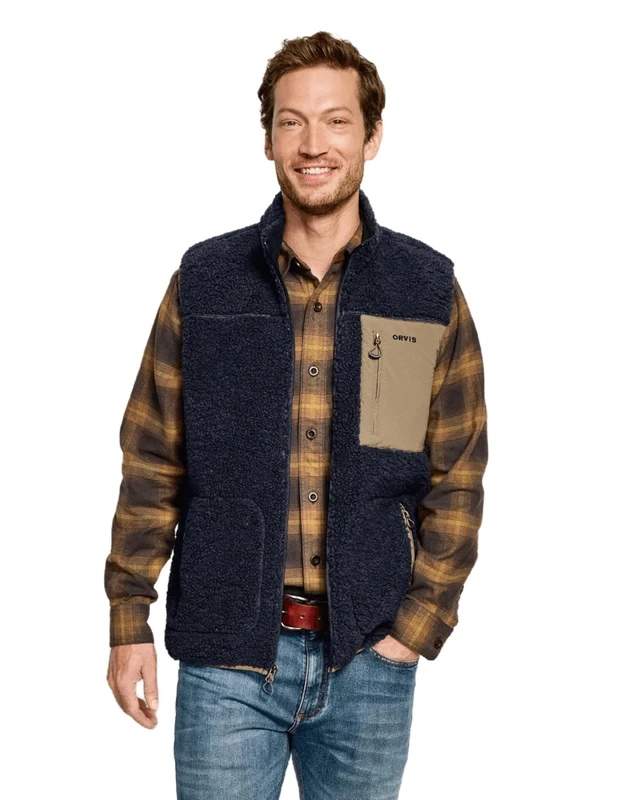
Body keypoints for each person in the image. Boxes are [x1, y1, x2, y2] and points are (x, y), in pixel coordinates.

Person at [105, 30, 488, 800]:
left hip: (368, 659)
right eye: (292, 122)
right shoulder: (205, 282)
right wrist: (128, 617)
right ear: (269, 139)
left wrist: (414, 630)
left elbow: (457, 476)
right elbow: (151, 460)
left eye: (337, 121)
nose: (314, 144)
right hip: (224, 659)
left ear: (372, 136)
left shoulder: (423, 290)